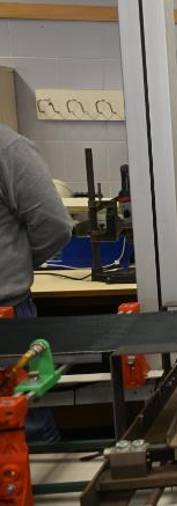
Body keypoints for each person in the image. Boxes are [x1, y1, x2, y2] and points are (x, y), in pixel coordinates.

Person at [0, 123, 72, 441]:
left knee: (21, 415)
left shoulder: (8, 149)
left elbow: (53, 225)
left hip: (6, 315)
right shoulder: (8, 148)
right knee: (23, 420)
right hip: (7, 303)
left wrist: (16, 266)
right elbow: (55, 226)